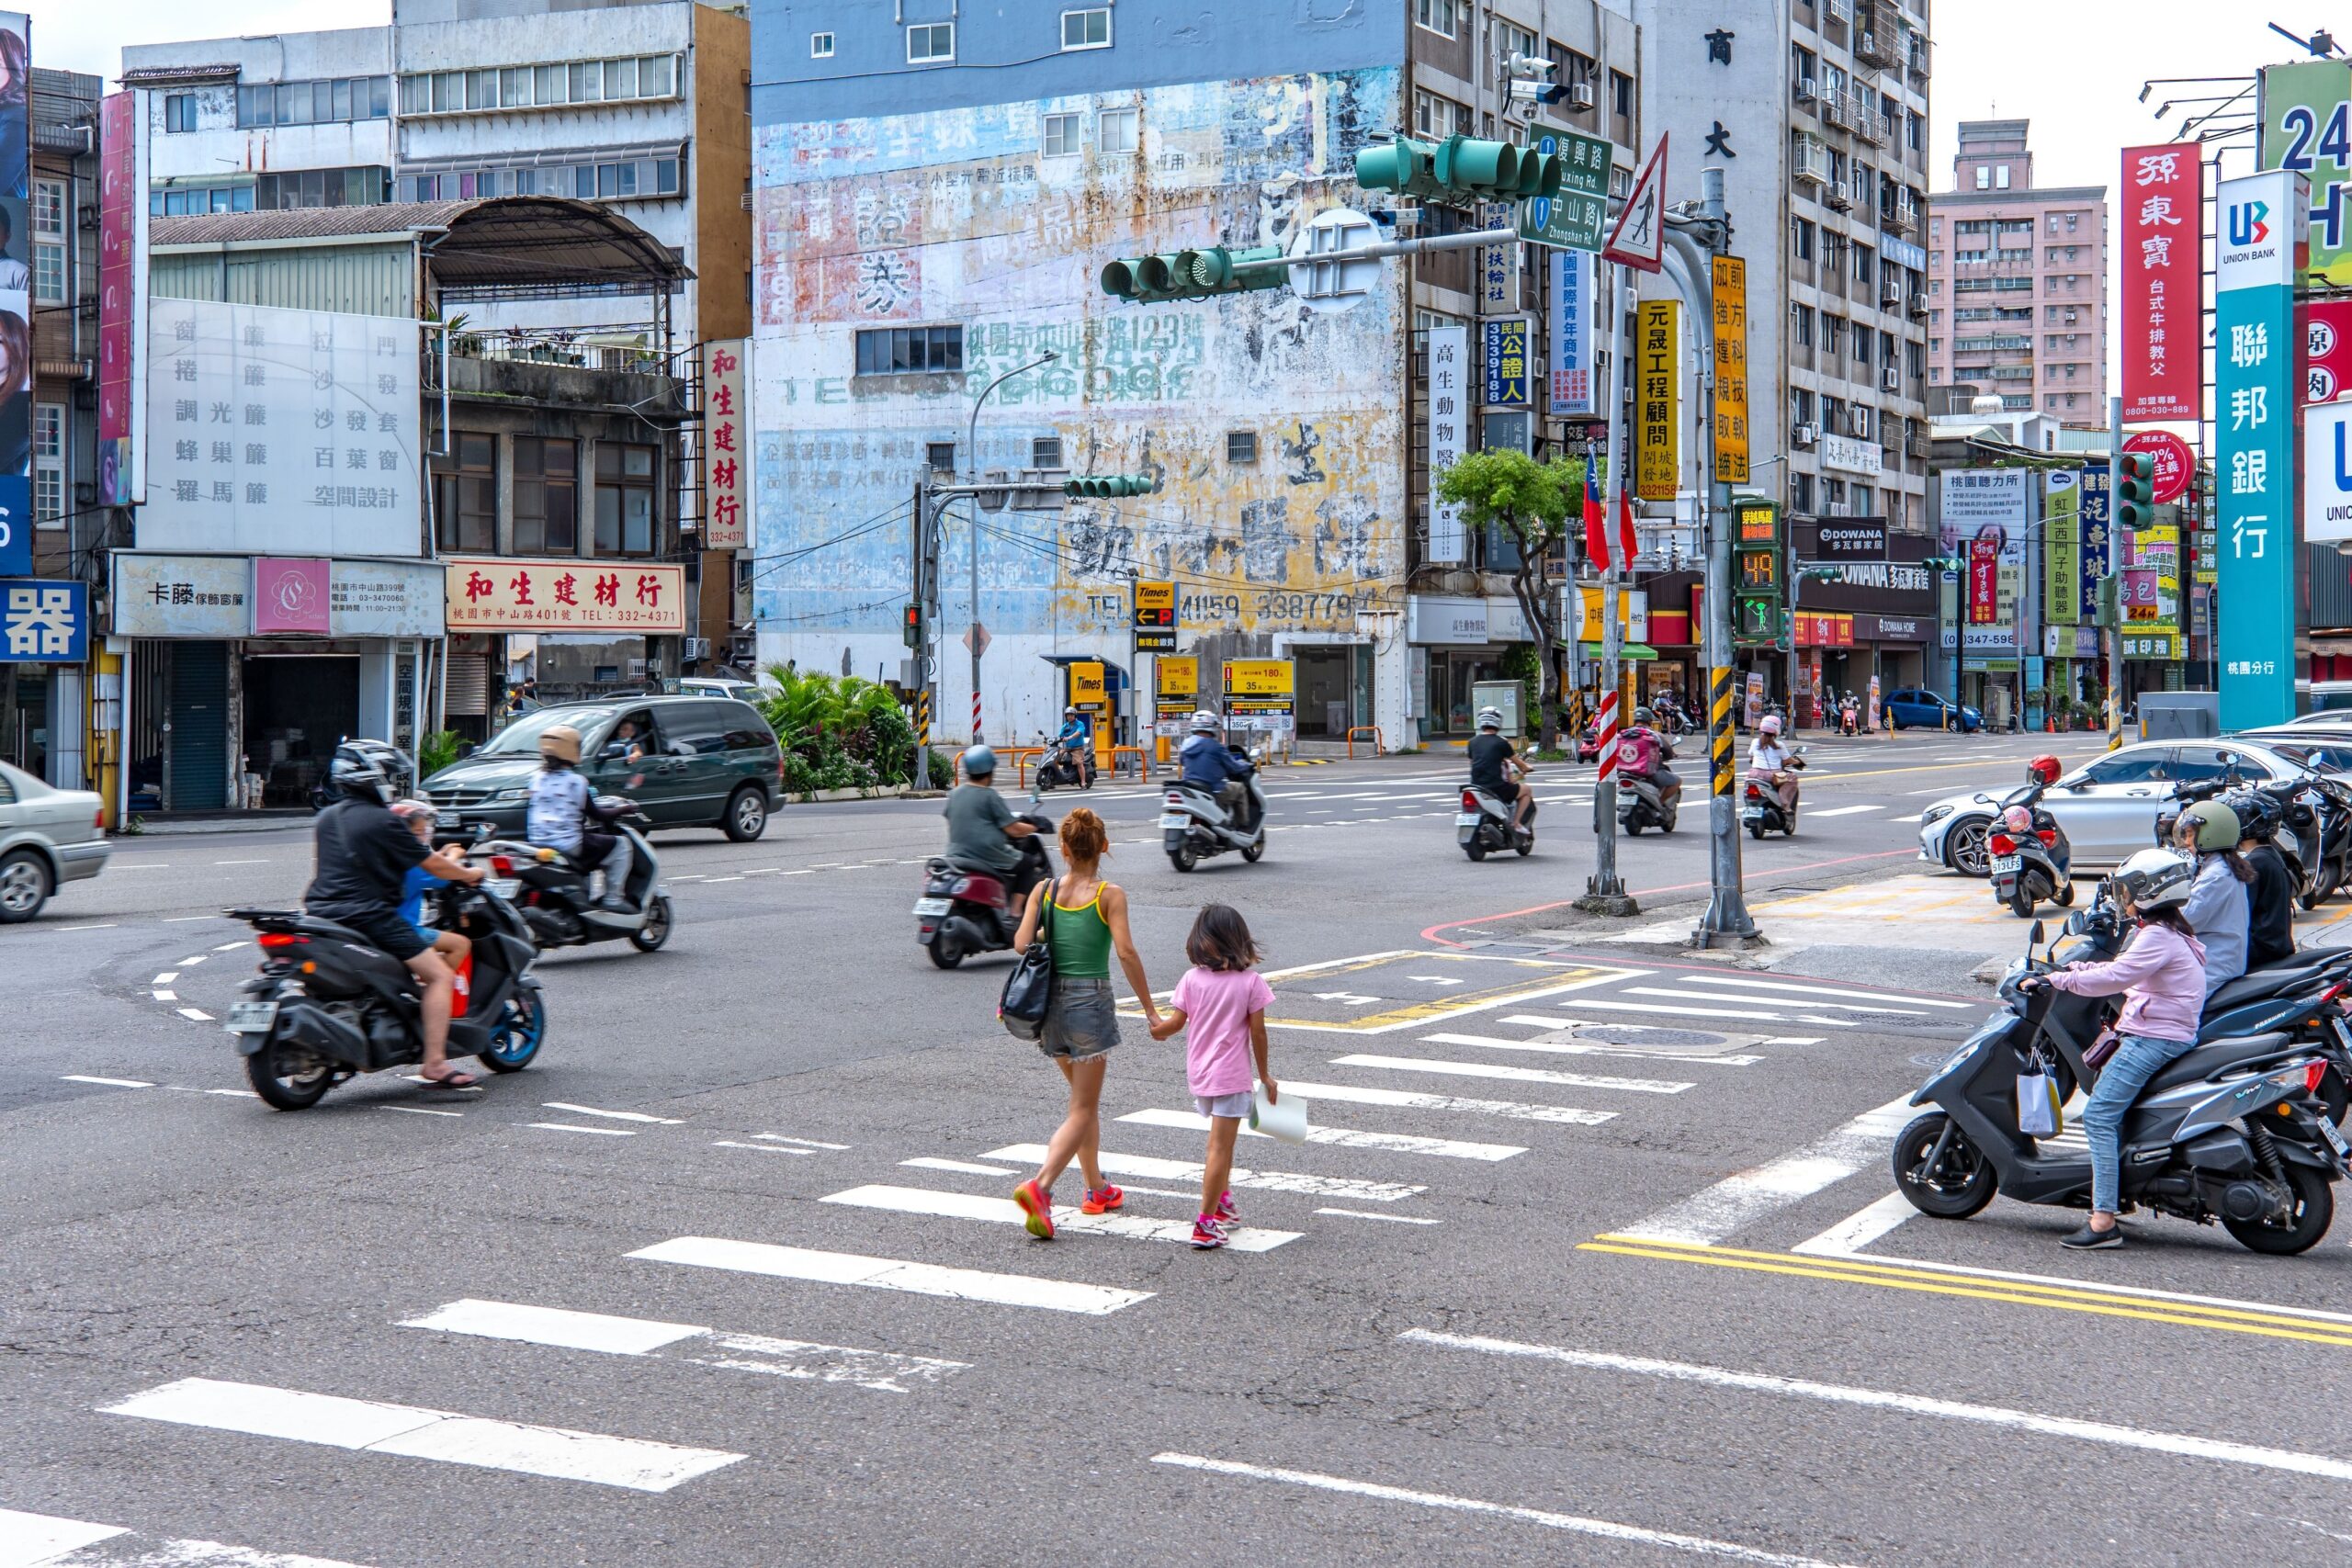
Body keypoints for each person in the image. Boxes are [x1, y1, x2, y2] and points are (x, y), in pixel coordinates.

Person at [2021, 849, 2206, 1249]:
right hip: (2162, 1032)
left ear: (2148, 893)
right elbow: (2118, 971)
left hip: (2154, 1039)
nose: (2123, 899)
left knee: (2099, 1117)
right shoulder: (2172, 933)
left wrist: (2059, 983)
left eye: (2127, 891)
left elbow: (2117, 976)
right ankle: (2121, 1189)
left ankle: (2104, 1219)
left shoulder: (2157, 936)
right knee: (2113, 1113)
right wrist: (2067, 970)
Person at [1008, 807, 1162, 1240]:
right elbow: (1127, 954)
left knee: (1082, 1103)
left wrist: (1047, 935)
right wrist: (1151, 1011)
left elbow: (1021, 943)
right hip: (1089, 1003)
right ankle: (1039, 1187)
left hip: (1050, 1008)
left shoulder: (1045, 888)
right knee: (1083, 1107)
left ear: (1063, 848)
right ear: (1104, 848)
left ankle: (1096, 1189)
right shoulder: (1109, 895)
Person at [303, 741, 486, 1089]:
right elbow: (432, 864)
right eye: (387, 774)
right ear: (372, 777)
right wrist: (470, 874)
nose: (390, 781)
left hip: (321, 914)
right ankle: (434, 1063)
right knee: (439, 977)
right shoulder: (384, 822)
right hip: (370, 917)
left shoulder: (326, 818)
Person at [1149, 904, 1277, 1250]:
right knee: (1220, 1147)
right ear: (1239, 941)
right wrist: (1264, 1075)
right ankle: (1205, 1223)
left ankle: (1222, 1202)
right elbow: (1258, 1034)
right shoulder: (1250, 982)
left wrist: (1158, 1029)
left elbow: (1176, 1024)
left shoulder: (1191, 979)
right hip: (1232, 1076)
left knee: (1221, 1144)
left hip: (1201, 1074)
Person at [528, 724, 634, 911]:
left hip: (537, 843)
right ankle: (613, 899)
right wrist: (625, 809)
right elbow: (598, 815)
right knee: (621, 845)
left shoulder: (536, 778)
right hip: (567, 845)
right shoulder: (576, 782)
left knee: (592, 842)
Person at [943, 743, 1044, 903]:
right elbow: (1013, 829)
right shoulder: (990, 796)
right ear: (990, 771)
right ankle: (1016, 913)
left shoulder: (954, 794)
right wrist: (1036, 826)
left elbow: (953, 821)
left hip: (955, 855)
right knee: (1028, 864)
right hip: (988, 854)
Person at [2171, 799, 2253, 995]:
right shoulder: (2215, 866)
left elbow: (2185, 918)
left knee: (2162, 1006)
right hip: (2208, 958)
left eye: (2190, 834)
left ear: (2210, 835)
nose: (2187, 841)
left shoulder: (2217, 876)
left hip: (2213, 965)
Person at [390, 800, 473, 969]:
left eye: (425, 832)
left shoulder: (388, 853)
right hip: (405, 929)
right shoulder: (412, 863)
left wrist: (440, 854)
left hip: (386, 923)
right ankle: (434, 990)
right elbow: (441, 873)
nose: (423, 837)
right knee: (461, 944)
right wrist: (455, 856)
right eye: (418, 832)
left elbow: (431, 862)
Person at [2227, 789, 2297, 971]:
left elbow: (2241, 913)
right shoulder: (2271, 855)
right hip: (2275, 946)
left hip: (2261, 951)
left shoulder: (2255, 862)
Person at [1180, 709, 1256, 829]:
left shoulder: (1185, 744)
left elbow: (1182, 761)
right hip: (1213, 789)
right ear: (1212, 726)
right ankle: (1243, 826)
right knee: (1240, 789)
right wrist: (1247, 765)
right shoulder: (1215, 747)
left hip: (1190, 787)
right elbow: (1234, 767)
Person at [1467, 705, 1530, 832]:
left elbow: (1472, 763)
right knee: (1527, 790)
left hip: (1476, 787)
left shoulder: (1472, 742)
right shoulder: (1501, 743)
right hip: (1496, 788)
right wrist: (1526, 768)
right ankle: (1516, 823)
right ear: (1498, 722)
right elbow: (1519, 764)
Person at [1747, 714, 1804, 818]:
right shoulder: (1779, 745)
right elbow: (1788, 760)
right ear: (1776, 729)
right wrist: (1798, 763)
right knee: (1792, 778)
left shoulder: (1755, 742)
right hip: (1773, 776)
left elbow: (1751, 756)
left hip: (1754, 774)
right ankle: (1785, 804)